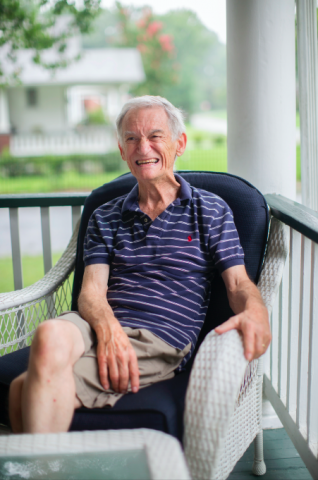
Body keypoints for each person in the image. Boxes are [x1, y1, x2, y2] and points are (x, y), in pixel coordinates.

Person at [8, 96, 271, 433]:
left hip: (158, 337)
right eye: (131, 139)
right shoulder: (106, 215)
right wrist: (110, 332)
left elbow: (238, 284)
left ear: (180, 144)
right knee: (49, 333)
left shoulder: (211, 210)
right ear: (122, 151)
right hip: (98, 324)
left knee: (21, 390)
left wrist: (256, 310)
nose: (142, 147)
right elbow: (91, 293)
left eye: (155, 136)